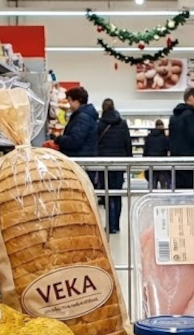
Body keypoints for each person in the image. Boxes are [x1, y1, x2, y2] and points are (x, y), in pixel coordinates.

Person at [96, 98, 132, 234]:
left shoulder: (99, 124)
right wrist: (129, 161)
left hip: (104, 164)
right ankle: (116, 224)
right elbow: (128, 143)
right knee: (117, 193)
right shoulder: (122, 124)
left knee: (107, 194)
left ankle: (110, 224)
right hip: (119, 163)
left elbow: (96, 144)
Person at [44, 86, 98, 158]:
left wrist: (58, 139)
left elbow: (74, 141)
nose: (69, 105)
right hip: (83, 156)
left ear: (78, 100)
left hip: (79, 158)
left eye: (70, 100)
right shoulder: (85, 115)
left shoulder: (82, 118)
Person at [143, 119, 171, 190]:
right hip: (162, 164)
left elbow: (145, 151)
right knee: (164, 185)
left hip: (152, 163)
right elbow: (168, 149)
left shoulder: (149, 137)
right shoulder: (164, 138)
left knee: (152, 185)